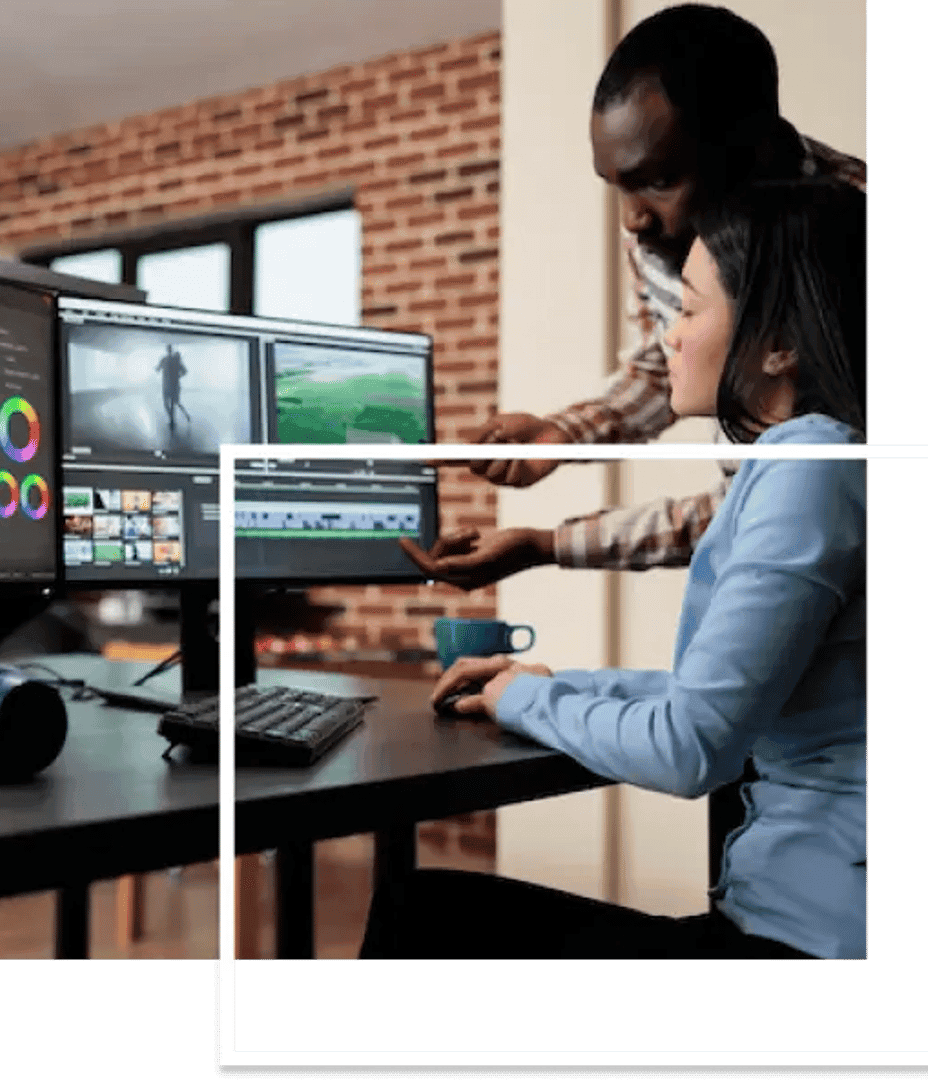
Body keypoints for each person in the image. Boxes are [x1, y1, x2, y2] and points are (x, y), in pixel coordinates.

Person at [360, 178, 868, 960]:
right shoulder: (828, 458)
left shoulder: (810, 469)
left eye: (690, 309)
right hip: (811, 923)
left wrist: (530, 696)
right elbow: (720, 700)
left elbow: (691, 746)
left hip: (804, 950)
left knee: (423, 914)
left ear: (782, 343)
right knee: (427, 907)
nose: (668, 337)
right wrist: (547, 687)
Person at [410, 4, 867, 590]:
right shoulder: (669, 236)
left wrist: (549, 545)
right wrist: (563, 437)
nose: (632, 222)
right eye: (617, 186)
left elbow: (774, 513)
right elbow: (668, 365)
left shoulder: (861, 251)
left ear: (759, 152)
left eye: (656, 181)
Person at [155, 343, 189, 430]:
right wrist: (179, 376)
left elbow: (184, 371)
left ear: (168, 350)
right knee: (172, 404)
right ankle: (174, 418)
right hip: (169, 385)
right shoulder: (167, 359)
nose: (169, 350)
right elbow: (184, 371)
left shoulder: (169, 360)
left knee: (171, 404)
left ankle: (172, 420)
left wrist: (178, 376)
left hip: (170, 385)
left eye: (169, 349)